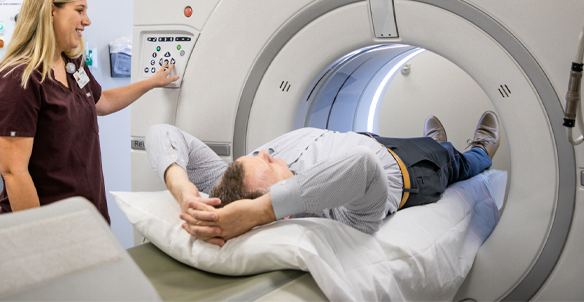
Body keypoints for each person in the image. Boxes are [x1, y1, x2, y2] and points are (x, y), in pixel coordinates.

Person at [0, 0, 178, 222]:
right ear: (51, 11)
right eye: (80, 10)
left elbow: (102, 102)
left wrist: (151, 83)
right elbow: (14, 172)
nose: (86, 20)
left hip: (89, 214)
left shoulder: (71, 64)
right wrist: (38, 237)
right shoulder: (18, 79)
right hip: (50, 221)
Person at [145, 112, 500, 246]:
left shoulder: (230, 186)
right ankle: (478, 149)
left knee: (427, 142)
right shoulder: (333, 212)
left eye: (256, 154)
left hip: (364, 136)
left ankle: (437, 143)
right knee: (454, 161)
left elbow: (160, 131)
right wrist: (258, 213)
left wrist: (183, 188)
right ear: (274, 201)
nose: (264, 152)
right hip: (410, 168)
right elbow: (362, 166)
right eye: (266, 162)